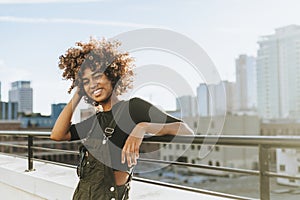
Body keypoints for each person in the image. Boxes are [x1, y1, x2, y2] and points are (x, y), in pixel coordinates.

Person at [50, 37, 194, 200]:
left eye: (97, 76)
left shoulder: (133, 108)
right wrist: (77, 93)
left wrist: (143, 127)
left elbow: (186, 131)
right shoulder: (96, 120)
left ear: (112, 75)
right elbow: (57, 135)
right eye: (86, 82)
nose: (93, 85)